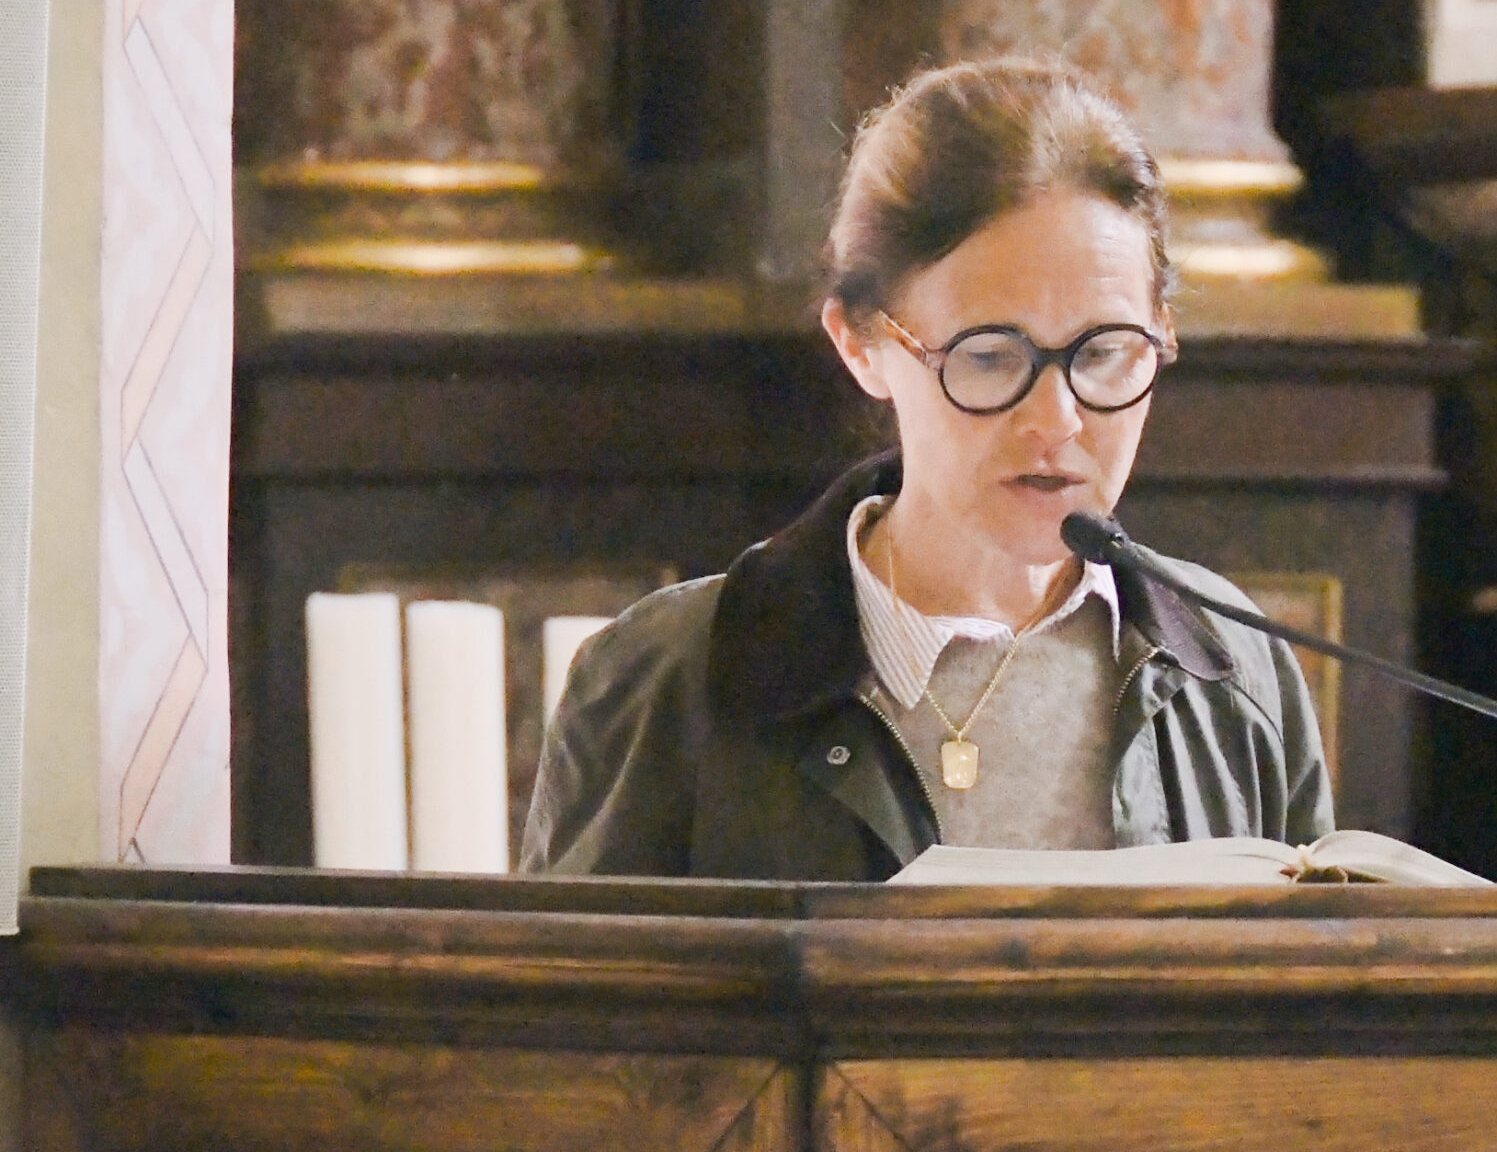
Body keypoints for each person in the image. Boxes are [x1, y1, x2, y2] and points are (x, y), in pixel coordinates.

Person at [520, 57, 1335, 877]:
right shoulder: (671, 680)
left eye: (1105, 352)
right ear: (860, 342)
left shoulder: (1235, 666)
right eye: (990, 356)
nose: (1057, 418)